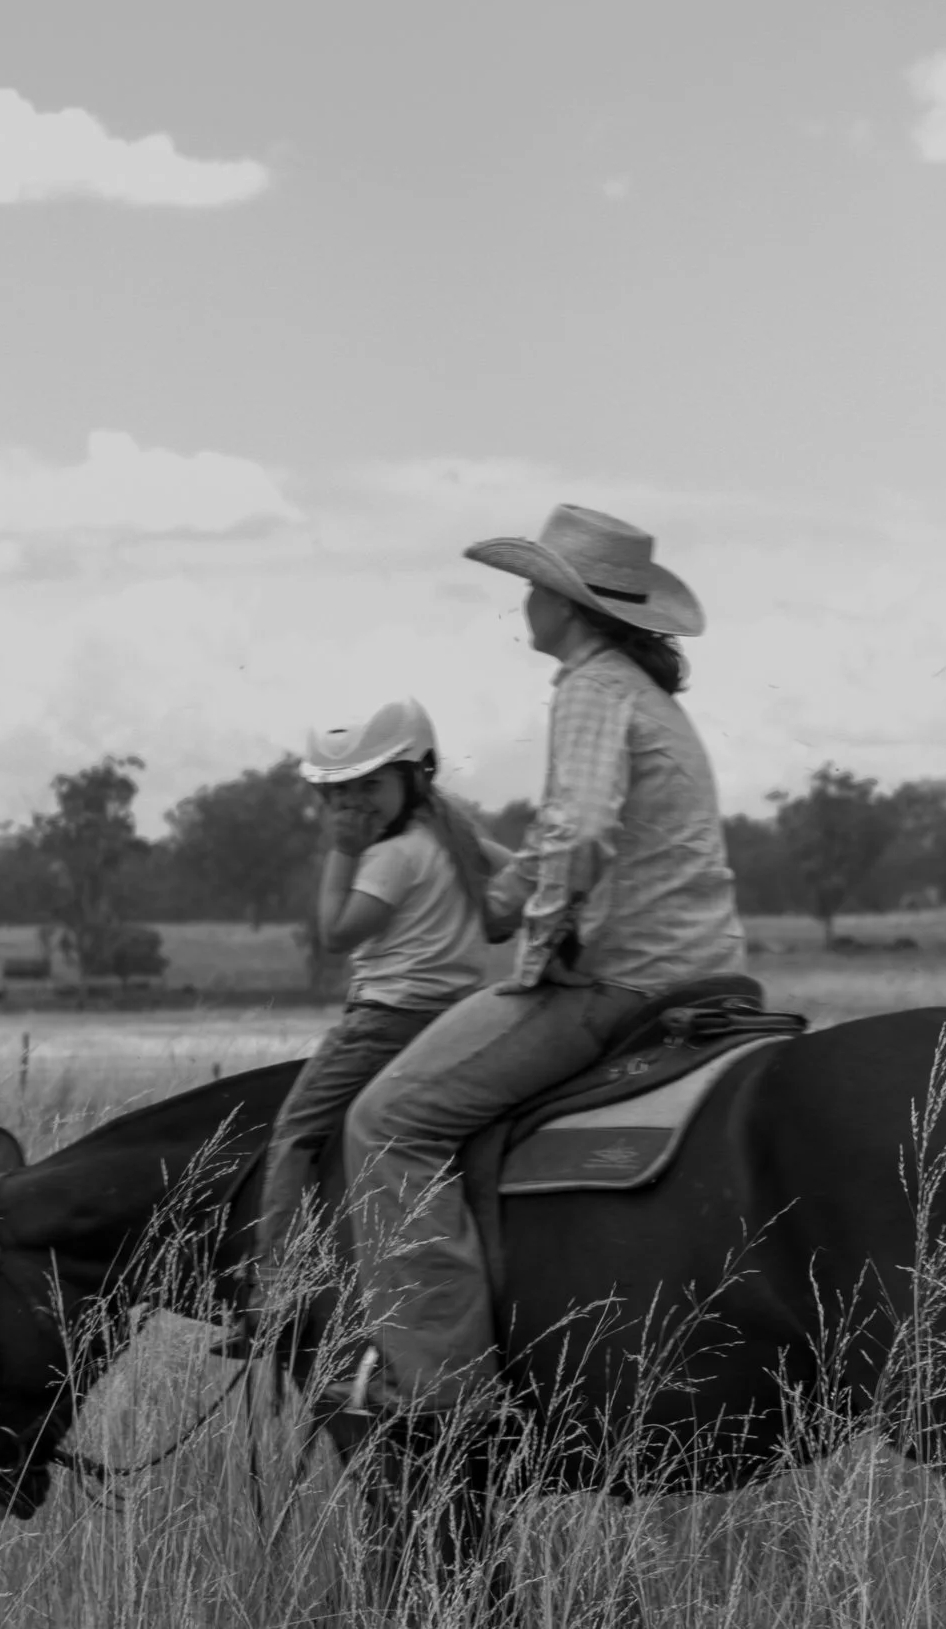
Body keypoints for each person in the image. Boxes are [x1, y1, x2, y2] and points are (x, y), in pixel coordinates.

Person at [335, 505, 747, 1418]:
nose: (524, 599)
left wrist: (538, 941)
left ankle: (440, 1391)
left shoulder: (591, 688)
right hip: (709, 968)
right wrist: (504, 888)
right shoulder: (645, 697)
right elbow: (566, 835)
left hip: (625, 980)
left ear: (567, 604)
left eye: (534, 584)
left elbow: (584, 830)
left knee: (385, 1122)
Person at [229, 699, 518, 1330]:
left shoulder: (391, 857)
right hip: (458, 1022)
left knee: (296, 1132)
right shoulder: (453, 838)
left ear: (412, 778)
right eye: (339, 794)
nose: (353, 805)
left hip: (384, 1021)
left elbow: (336, 932)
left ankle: (272, 1289)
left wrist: (342, 851)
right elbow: (516, 885)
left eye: (369, 787)